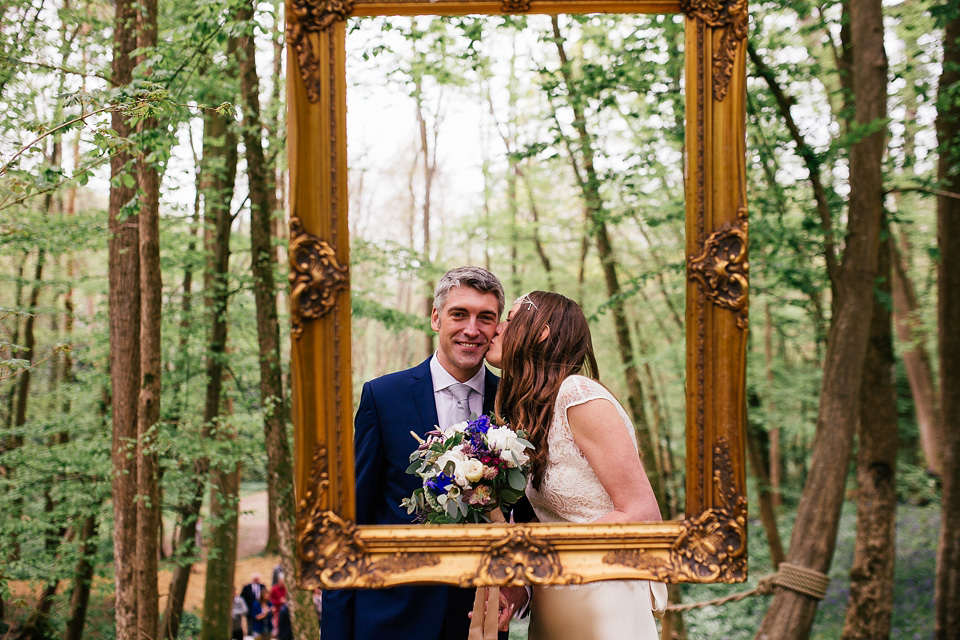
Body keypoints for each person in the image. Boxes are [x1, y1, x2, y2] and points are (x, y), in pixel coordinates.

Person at [322, 266, 520, 640]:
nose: (472, 329)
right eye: (459, 314)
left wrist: (518, 589)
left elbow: (526, 515)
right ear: (435, 318)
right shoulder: (382, 398)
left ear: (497, 328)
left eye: (486, 318)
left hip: (479, 618)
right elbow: (350, 522)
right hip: (390, 615)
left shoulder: (513, 402)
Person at [487, 291, 668, 640]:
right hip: (555, 600)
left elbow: (642, 515)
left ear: (540, 332)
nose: (497, 327)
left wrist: (543, 554)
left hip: (604, 600)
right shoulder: (537, 410)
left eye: (509, 318)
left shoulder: (578, 395)